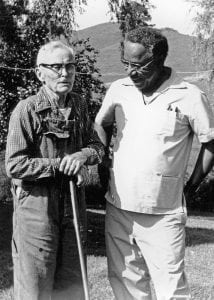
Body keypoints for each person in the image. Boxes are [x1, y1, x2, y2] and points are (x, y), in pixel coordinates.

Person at [95, 26, 214, 300]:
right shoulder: (118, 89)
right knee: (124, 283)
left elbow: (210, 142)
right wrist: (103, 164)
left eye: (138, 65)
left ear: (159, 60)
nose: (130, 72)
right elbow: (100, 124)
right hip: (119, 207)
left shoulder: (190, 95)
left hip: (164, 213)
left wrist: (192, 186)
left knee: (171, 291)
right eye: (125, 63)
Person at [5, 40, 104, 300]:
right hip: (36, 208)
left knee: (72, 284)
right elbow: (14, 164)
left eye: (70, 67)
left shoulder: (80, 105)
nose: (65, 73)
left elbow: (98, 147)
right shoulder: (26, 110)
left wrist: (83, 155)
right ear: (40, 72)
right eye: (56, 67)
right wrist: (60, 165)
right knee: (35, 284)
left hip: (73, 207)